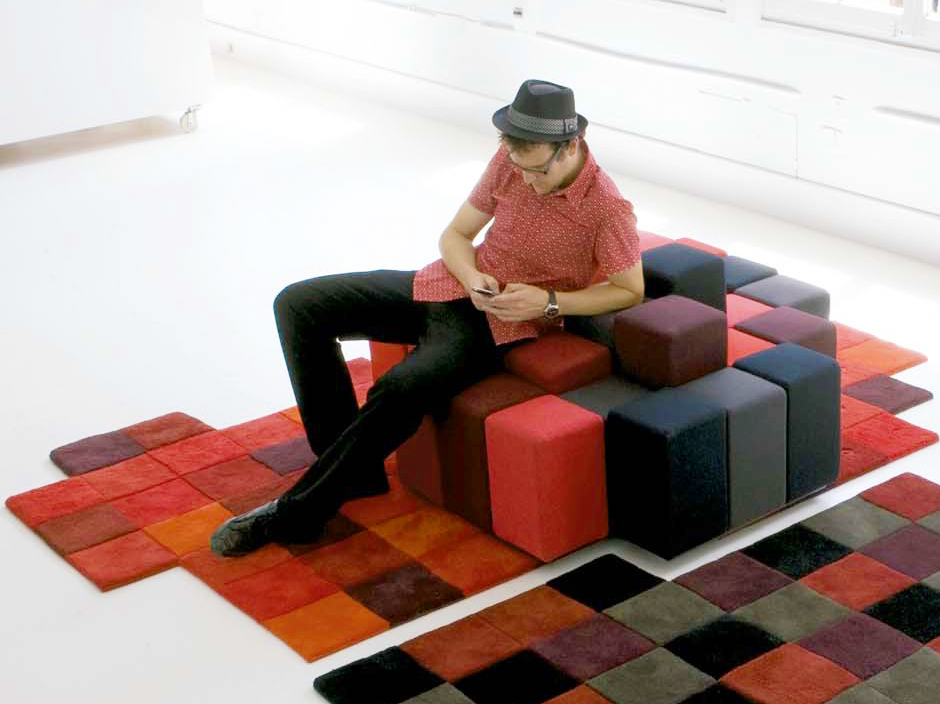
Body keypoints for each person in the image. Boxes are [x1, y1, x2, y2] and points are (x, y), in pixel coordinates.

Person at [209, 80, 643, 557]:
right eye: (519, 167)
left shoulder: (608, 209)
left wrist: (549, 303)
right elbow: (456, 234)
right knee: (298, 303)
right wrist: (471, 276)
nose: (526, 180)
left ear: (571, 146)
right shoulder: (511, 162)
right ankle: (352, 472)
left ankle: (298, 514)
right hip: (444, 285)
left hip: (496, 325)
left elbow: (629, 289)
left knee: (401, 387)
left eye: (538, 170)